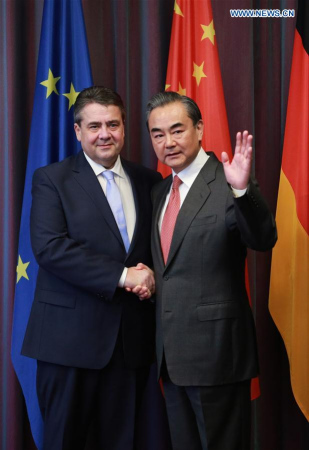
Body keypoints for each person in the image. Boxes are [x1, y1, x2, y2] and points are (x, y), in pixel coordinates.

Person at [21, 86, 162, 450]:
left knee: (123, 441)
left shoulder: (149, 180)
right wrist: (125, 276)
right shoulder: (52, 178)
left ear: (125, 127)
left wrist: (152, 280)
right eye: (95, 125)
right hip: (68, 344)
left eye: (113, 124)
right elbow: (50, 248)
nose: (105, 134)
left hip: (130, 345)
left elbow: (158, 250)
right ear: (77, 131)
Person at [145, 91, 277, 450]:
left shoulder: (227, 181)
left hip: (217, 357)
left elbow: (263, 238)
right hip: (171, 359)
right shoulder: (159, 193)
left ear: (200, 128)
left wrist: (241, 190)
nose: (168, 142)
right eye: (158, 134)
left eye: (177, 130)